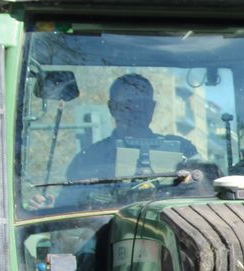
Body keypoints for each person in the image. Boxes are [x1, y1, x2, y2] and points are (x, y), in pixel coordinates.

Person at [56, 73, 198, 208]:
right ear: (112, 108)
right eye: (127, 105)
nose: (135, 111)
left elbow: (208, 192)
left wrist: (191, 181)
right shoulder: (88, 160)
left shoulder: (183, 151)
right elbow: (68, 210)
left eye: (141, 104)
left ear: (152, 108)